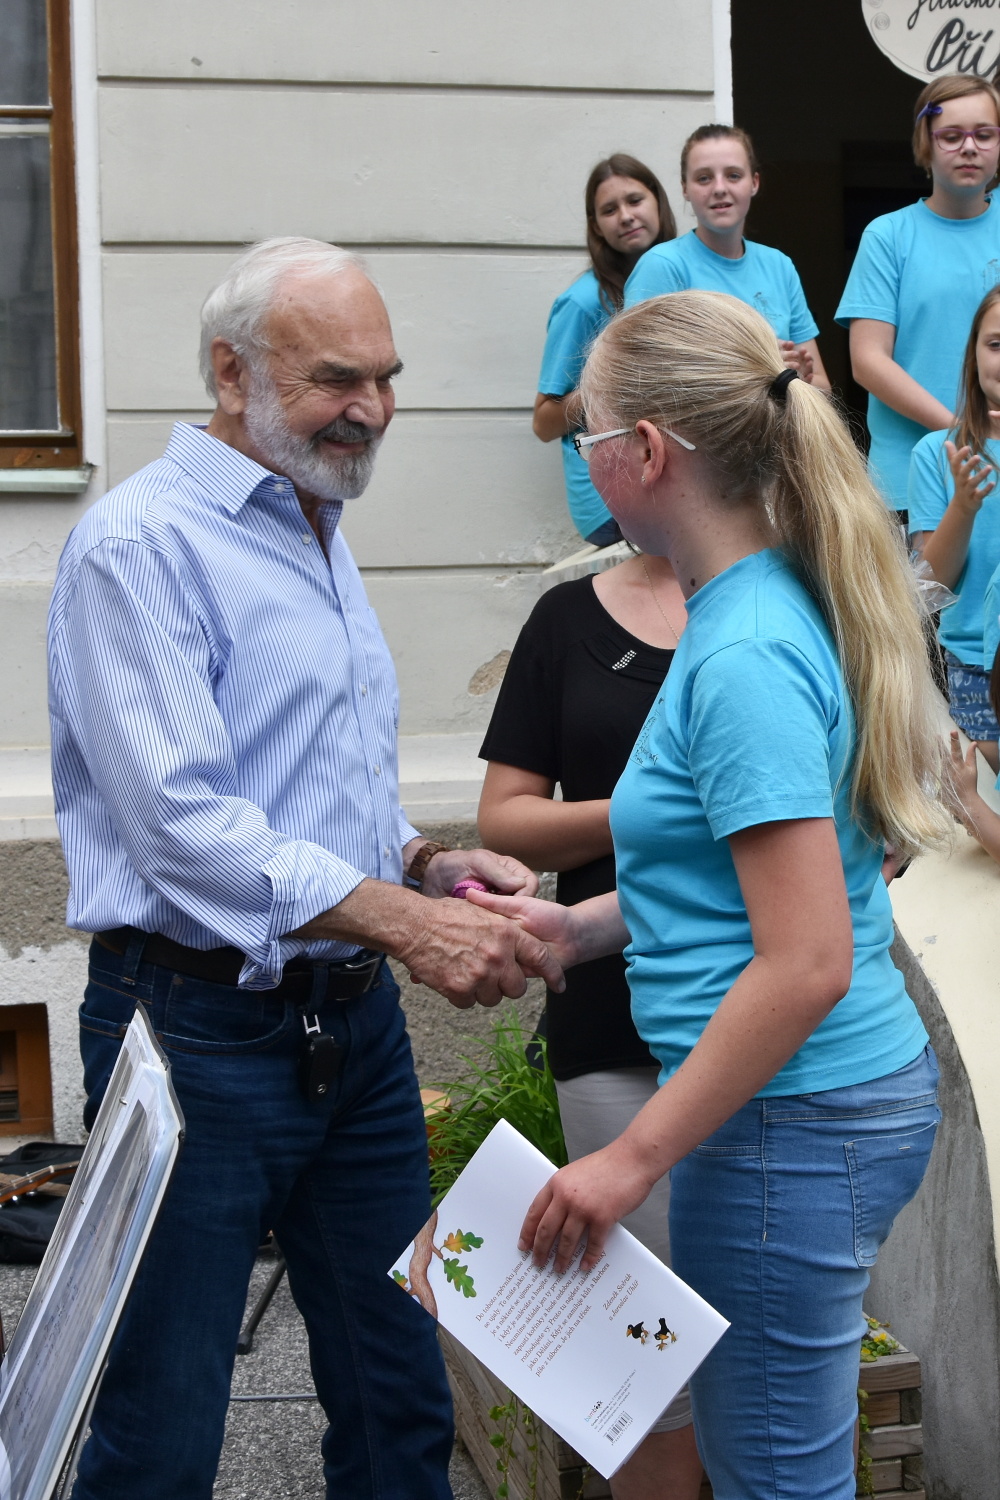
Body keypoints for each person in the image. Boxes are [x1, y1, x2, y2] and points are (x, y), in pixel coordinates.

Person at [47, 237, 564, 1500]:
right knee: (162, 1426)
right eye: (337, 377)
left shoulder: (312, 518)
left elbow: (315, 781)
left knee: (399, 1396)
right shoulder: (138, 543)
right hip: (194, 1030)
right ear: (231, 374)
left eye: (387, 377)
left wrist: (424, 865)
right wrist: (405, 922)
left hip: (352, 1026)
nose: (371, 408)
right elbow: (182, 824)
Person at [468, 288, 948, 1499]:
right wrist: (578, 926)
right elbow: (727, 876)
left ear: (645, 453)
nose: (580, 459)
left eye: (588, 435)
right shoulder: (757, 607)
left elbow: (806, 959)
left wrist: (628, 1160)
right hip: (799, 1106)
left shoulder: (739, 653)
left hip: (794, 1113)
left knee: (772, 1474)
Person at [477, 551, 702, 1500]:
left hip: (770, 1022)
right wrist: (659, 814)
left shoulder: (792, 600)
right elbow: (505, 818)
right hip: (609, 1012)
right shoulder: (568, 618)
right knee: (646, 1366)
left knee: (768, 1356)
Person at [837, 73, 1000, 516]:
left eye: (984, 134)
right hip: (908, 480)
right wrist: (961, 430)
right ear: (925, 144)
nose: (969, 147)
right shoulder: (888, 235)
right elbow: (868, 361)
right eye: (952, 135)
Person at [623, 124, 831, 393]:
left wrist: (797, 379)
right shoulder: (663, 266)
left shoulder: (779, 266)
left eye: (733, 175)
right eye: (704, 178)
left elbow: (823, 387)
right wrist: (761, 369)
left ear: (754, 182)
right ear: (685, 188)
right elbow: (636, 380)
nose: (720, 188)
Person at [534, 154, 676, 545]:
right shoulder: (583, 302)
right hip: (610, 500)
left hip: (666, 471)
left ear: (659, 203)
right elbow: (543, 423)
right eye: (609, 210)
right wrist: (611, 380)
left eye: (635, 200)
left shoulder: (681, 279)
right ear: (596, 226)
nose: (626, 216)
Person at [909, 284, 1000, 771]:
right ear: (973, 355)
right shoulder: (935, 453)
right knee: (982, 796)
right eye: (996, 344)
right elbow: (930, 588)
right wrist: (964, 507)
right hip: (976, 666)